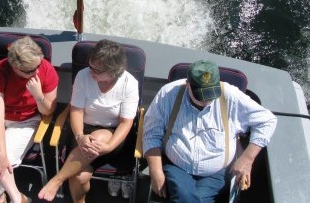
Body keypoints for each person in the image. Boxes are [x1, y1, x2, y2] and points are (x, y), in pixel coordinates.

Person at [143, 60, 277, 203]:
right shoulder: (168, 94)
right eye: (201, 96)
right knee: (185, 197)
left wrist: (247, 159)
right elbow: (152, 133)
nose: (206, 100)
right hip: (177, 167)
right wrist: (156, 171)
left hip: (216, 173)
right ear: (187, 83)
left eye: (211, 94)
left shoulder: (231, 96)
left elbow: (267, 120)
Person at [38, 39, 139, 202]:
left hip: (114, 136)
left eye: (96, 70)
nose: (91, 71)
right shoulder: (83, 76)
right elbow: (76, 111)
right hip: (83, 132)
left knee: (98, 137)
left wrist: (109, 146)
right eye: (90, 65)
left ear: (113, 71)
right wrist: (79, 136)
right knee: (78, 177)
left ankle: (57, 180)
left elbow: (125, 122)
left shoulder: (129, 84)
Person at [0, 36, 59, 203]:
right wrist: (1, 155)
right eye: (29, 70)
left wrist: (38, 96)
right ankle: (16, 197)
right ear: (14, 66)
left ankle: (1, 198)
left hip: (26, 121)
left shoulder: (46, 69)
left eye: (37, 66)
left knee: (2, 159)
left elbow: (49, 111)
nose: (36, 72)